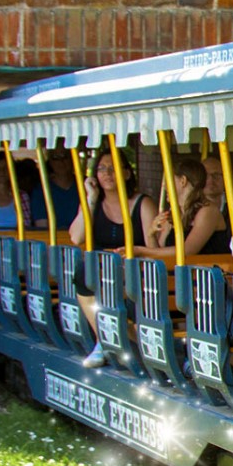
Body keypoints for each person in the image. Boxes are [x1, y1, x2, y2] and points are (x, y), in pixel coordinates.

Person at [68, 147, 158, 368]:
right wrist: (90, 199)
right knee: (83, 272)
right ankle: (102, 339)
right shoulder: (94, 203)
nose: (108, 173)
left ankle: (115, 341)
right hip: (100, 274)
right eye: (102, 169)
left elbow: (152, 247)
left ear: (127, 173)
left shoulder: (142, 203)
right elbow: (76, 237)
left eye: (114, 168)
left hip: (135, 273)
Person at [135, 157, 227, 258]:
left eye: (169, 180)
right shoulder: (174, 213)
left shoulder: (208, 211)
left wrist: (141, 251)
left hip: (209, 271)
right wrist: (151, 236)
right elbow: (160, 255)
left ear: (183, 181)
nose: (165, 186)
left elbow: (187, 251)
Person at [27, 148, 81, 230]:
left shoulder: (85, 185)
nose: (61, 161)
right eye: (55, 157)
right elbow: (43, 228)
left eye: (65, 156)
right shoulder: (41, 191)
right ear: (50, 162)